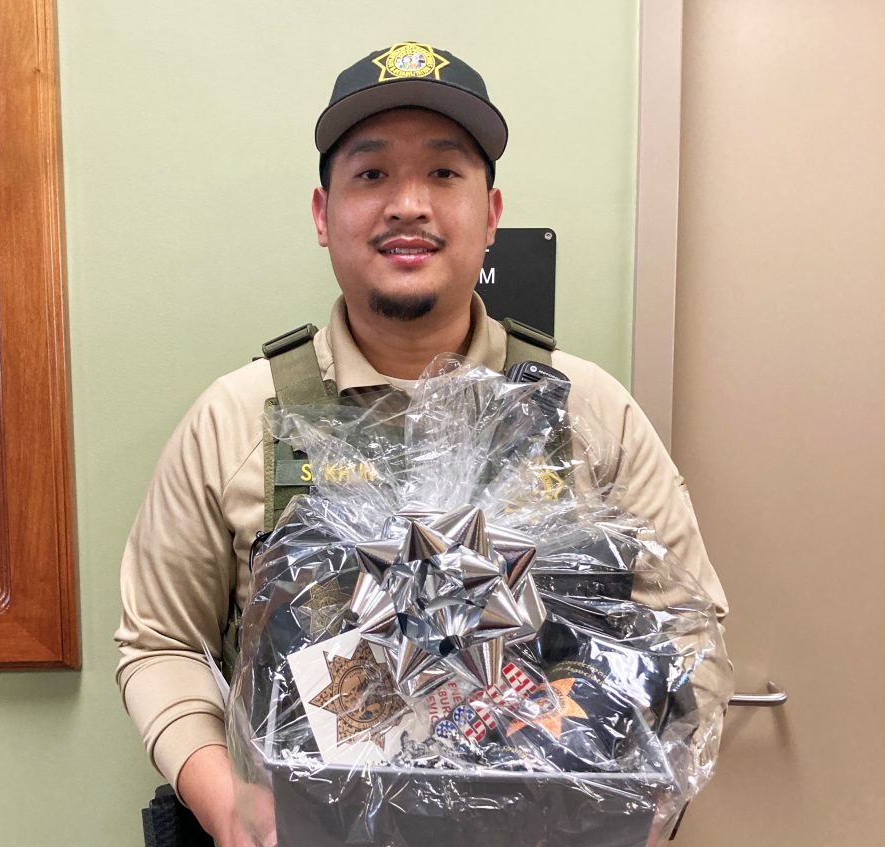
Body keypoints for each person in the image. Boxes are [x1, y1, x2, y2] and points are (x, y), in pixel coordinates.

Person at [116, 42, 728, 847]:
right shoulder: (238, 419)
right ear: (322, 213)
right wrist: (226, 802)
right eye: (372, 173)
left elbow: (689, 636)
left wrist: (637, 816)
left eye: (443, 172)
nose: (409, 203)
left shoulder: (589, 413)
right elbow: (159, 642)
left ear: (491, 213)